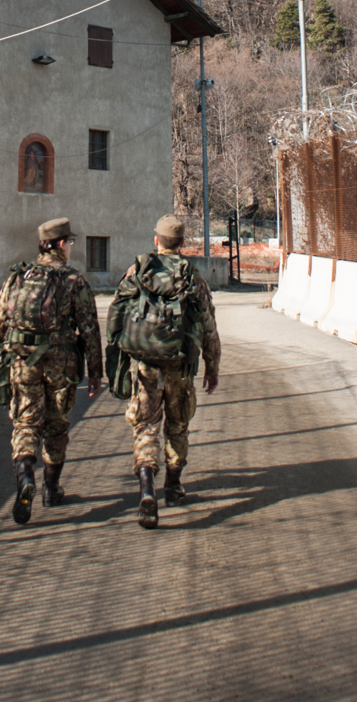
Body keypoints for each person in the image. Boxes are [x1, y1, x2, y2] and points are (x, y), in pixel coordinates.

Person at [0, 217, 104, 524]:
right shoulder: (73, 280)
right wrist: (95, 372)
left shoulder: (18, 277)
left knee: (25, 424)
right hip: (61, 366)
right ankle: (51, 489)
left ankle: (26, 480)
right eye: (70, 242)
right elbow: (90, 330)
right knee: (56, 425)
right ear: (61, 244)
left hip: (23, 362)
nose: (70, 248)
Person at [106, 213, 221, 529]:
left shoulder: (138, 272)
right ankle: (172, 485)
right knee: (177, 424)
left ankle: (146, 488)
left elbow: (117, 315)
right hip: (180, 365)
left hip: (145, 364)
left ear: (156, 240)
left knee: (145, 426)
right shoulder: (192, 277)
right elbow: (208, 326)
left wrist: (114, 358)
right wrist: (213, 366)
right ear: (182, 243)